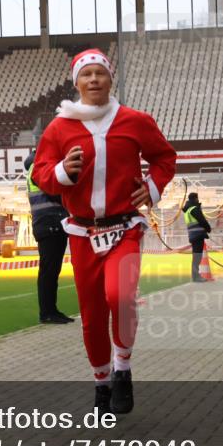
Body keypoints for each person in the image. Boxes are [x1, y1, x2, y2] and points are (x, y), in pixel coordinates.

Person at [32, 48, 177, 415]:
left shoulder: (135, 120)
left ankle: (123, 368)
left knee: (120, 295)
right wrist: (63, 171)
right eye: (86, 74)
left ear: (111, 79)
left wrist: (153, 186)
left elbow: (164, 157)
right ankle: (101, 382)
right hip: (83, 233)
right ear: (76, 82)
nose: (93, 79)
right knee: (92, 314)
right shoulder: (59, 127)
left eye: (100, 73)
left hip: (124, 226)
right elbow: (41, 173)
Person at [24, 151, 73, 325]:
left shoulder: (34, 169)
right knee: (49, 271)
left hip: (48, 223)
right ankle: (47, 312)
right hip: (49, 223)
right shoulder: (38, 170)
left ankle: (51, 310)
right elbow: (54, 192)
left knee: (51, 271)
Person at [182, 192, 212, 283]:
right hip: (198, 235)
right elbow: (202, 220)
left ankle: (195, 276)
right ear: (195, 199)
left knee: (196, 257)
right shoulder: (194, 209)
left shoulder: (187, 210)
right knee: (197, 257)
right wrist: (208, 228)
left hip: (193, 235)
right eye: (197, 198)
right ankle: (196, 276)